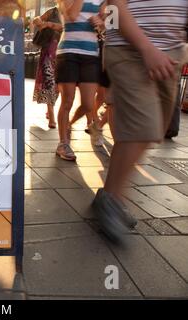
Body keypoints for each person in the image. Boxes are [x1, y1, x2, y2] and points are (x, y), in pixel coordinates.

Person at [93, 0, 188, 242]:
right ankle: (113, 201)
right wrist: (146, 49)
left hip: (172, 51)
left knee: (154, 129)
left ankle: (107, 196)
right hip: (129, 48)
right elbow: (115, 4)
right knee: (142, 128)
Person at [55, 0, 105, 161]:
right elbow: (72, 15)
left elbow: (110, 25)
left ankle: (68, 124)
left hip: (91, 55)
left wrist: (102, 22)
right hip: (68, 52)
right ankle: (63, 143)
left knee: (89, 104)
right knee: (67, 101)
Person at [32, 6, 62, 129]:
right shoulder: (54, 11)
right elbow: (36, 20)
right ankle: (52, 114)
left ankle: (50, 108)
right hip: (49, 51)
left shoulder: (75, 11)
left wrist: (49, 24)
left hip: (64, 51)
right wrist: (39, 22)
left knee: (60, 85)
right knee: (49, 82)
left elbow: (64, 27)